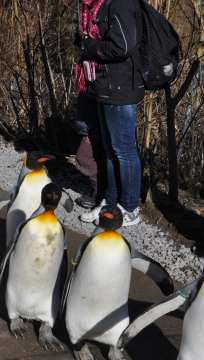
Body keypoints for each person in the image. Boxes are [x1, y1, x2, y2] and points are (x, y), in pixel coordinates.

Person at [77, 0, 144, 227]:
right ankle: (111, 201)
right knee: (109, 151)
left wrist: (89, 47)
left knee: (124, 152)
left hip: (120, 88)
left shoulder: (120, 4)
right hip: (103, 85)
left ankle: (130, 207)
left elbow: (122, 46)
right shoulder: (96, 6)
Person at [72, 0, 106, 209]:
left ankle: (101, 190)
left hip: (105, 80)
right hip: (87, 77)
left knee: (94, 141)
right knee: (86, 130)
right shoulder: (84, 7)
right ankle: (98, 188)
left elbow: (116, 45)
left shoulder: (108, 6)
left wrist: (89, 45)